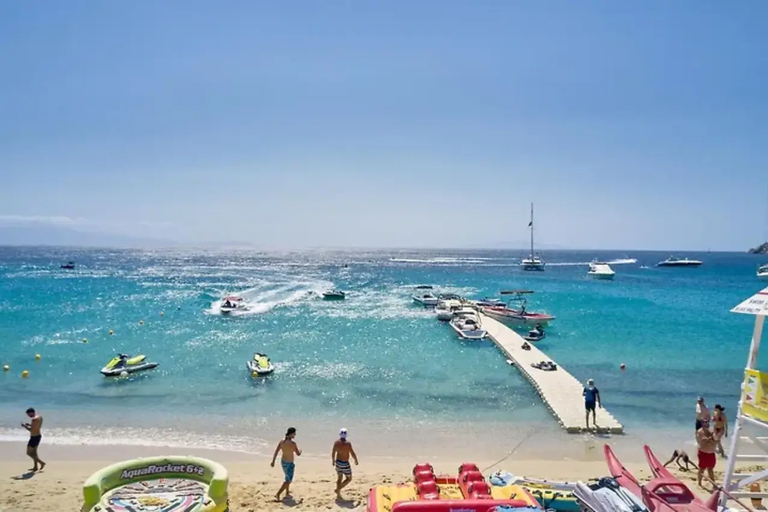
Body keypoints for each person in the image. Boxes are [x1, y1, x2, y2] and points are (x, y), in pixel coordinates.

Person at [270, 427, 301, 501]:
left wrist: (273, 461)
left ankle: (287, 492)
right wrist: (300, 451)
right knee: (288, 480)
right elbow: (298, 453)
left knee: (287, 477)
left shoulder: (282, 442)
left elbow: (276, 451)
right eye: (294, 433)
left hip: (283, 462)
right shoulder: (293, 444)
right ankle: (278, 494)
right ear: (291, 434)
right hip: (289, 463)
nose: (295, 434)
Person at [331, 428, 358, 498]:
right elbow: (352, 453)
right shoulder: (348, 444)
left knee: (339, 478)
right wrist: (356, 460)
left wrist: (333, 460)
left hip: (338, 462)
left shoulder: (336, 443)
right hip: (345, 464)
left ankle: (338, 494)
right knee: (349, 478)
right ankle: (338, 489)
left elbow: (333, 452)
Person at [21, 407, 45, 471]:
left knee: (28, 453)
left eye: (28, 414)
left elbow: (31, 430)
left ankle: (41, 463)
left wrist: (24, 426)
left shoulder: (34, 420)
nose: (28, 416)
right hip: (38, 436)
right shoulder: (39, 417)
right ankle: (35, 467)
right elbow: (36, 426)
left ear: (31, 412)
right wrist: (29, 424)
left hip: (34, 437)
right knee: (34, 452)